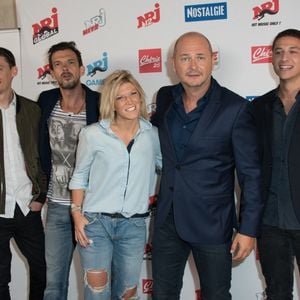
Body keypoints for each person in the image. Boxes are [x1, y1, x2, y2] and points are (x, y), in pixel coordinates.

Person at [150, 31, 263, 299]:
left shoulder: (235, 108)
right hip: (167, 220)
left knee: (216, 295)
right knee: (162, 294)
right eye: (185, 58)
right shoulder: (165, 97)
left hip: (213, 223)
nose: (192, 66)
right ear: (173, 63)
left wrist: (247, 230)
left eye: (200, 57)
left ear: (212, 60)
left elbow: (251, 175)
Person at [69, 69, 161, 300]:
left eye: (133, 94)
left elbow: (169, 168)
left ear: (140, 96)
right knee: (97, 292)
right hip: (95, 223)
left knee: (127, 293)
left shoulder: (153, 135)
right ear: (112, 103)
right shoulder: (92, 134)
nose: (129, 101)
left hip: (134, 225)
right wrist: (76, 214)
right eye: (121, 97)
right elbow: (79, 176)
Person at [38, 41, 100, 300]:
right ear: (51, 72)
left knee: (96, 282)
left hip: (92, 207)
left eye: (70, 63)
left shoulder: (99, 103)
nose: (64, 69)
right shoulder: (46, 101)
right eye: (58, 64)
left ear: (82, 69)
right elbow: (37, 150)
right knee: (54, 284)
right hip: (56, 208)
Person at [253, 28, 300, 300]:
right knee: (277, 294)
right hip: (270, 222)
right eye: (279, 51)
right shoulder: (258, 108)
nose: (285, 57)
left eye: (293, 51)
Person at [0, 47, 47, 300]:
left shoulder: (32, 110)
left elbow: (44, 157)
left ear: (13, 71)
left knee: (43, 269)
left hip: (27, 206)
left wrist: (40, 195)